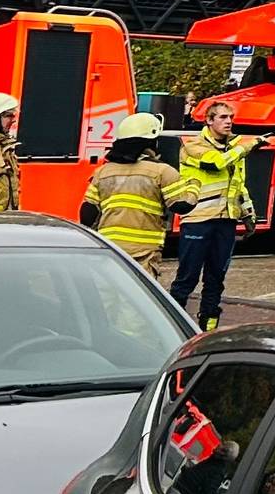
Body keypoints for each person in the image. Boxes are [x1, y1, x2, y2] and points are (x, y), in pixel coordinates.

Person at [170, 100, 264, 329]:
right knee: (187, 278)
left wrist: (248, 214)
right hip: (198, 220)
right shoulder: (193, 146)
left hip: (225, 221)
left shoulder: (232, 149)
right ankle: (171, 326)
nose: (228, 122)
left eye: (231, 117)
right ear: (209, 121)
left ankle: (208, 328)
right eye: (222, 117)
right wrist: (248, 146)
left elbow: (239, 185)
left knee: (216, 279)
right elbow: (217, 164)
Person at [83, 114, 189, 280]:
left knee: (109, 292)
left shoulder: (102, 172)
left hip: (110, 249)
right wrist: (194, 186)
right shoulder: (162, 171)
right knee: (137, 295)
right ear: (153, 142)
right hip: (144, 253)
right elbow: (181, 206)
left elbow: (87, 214)